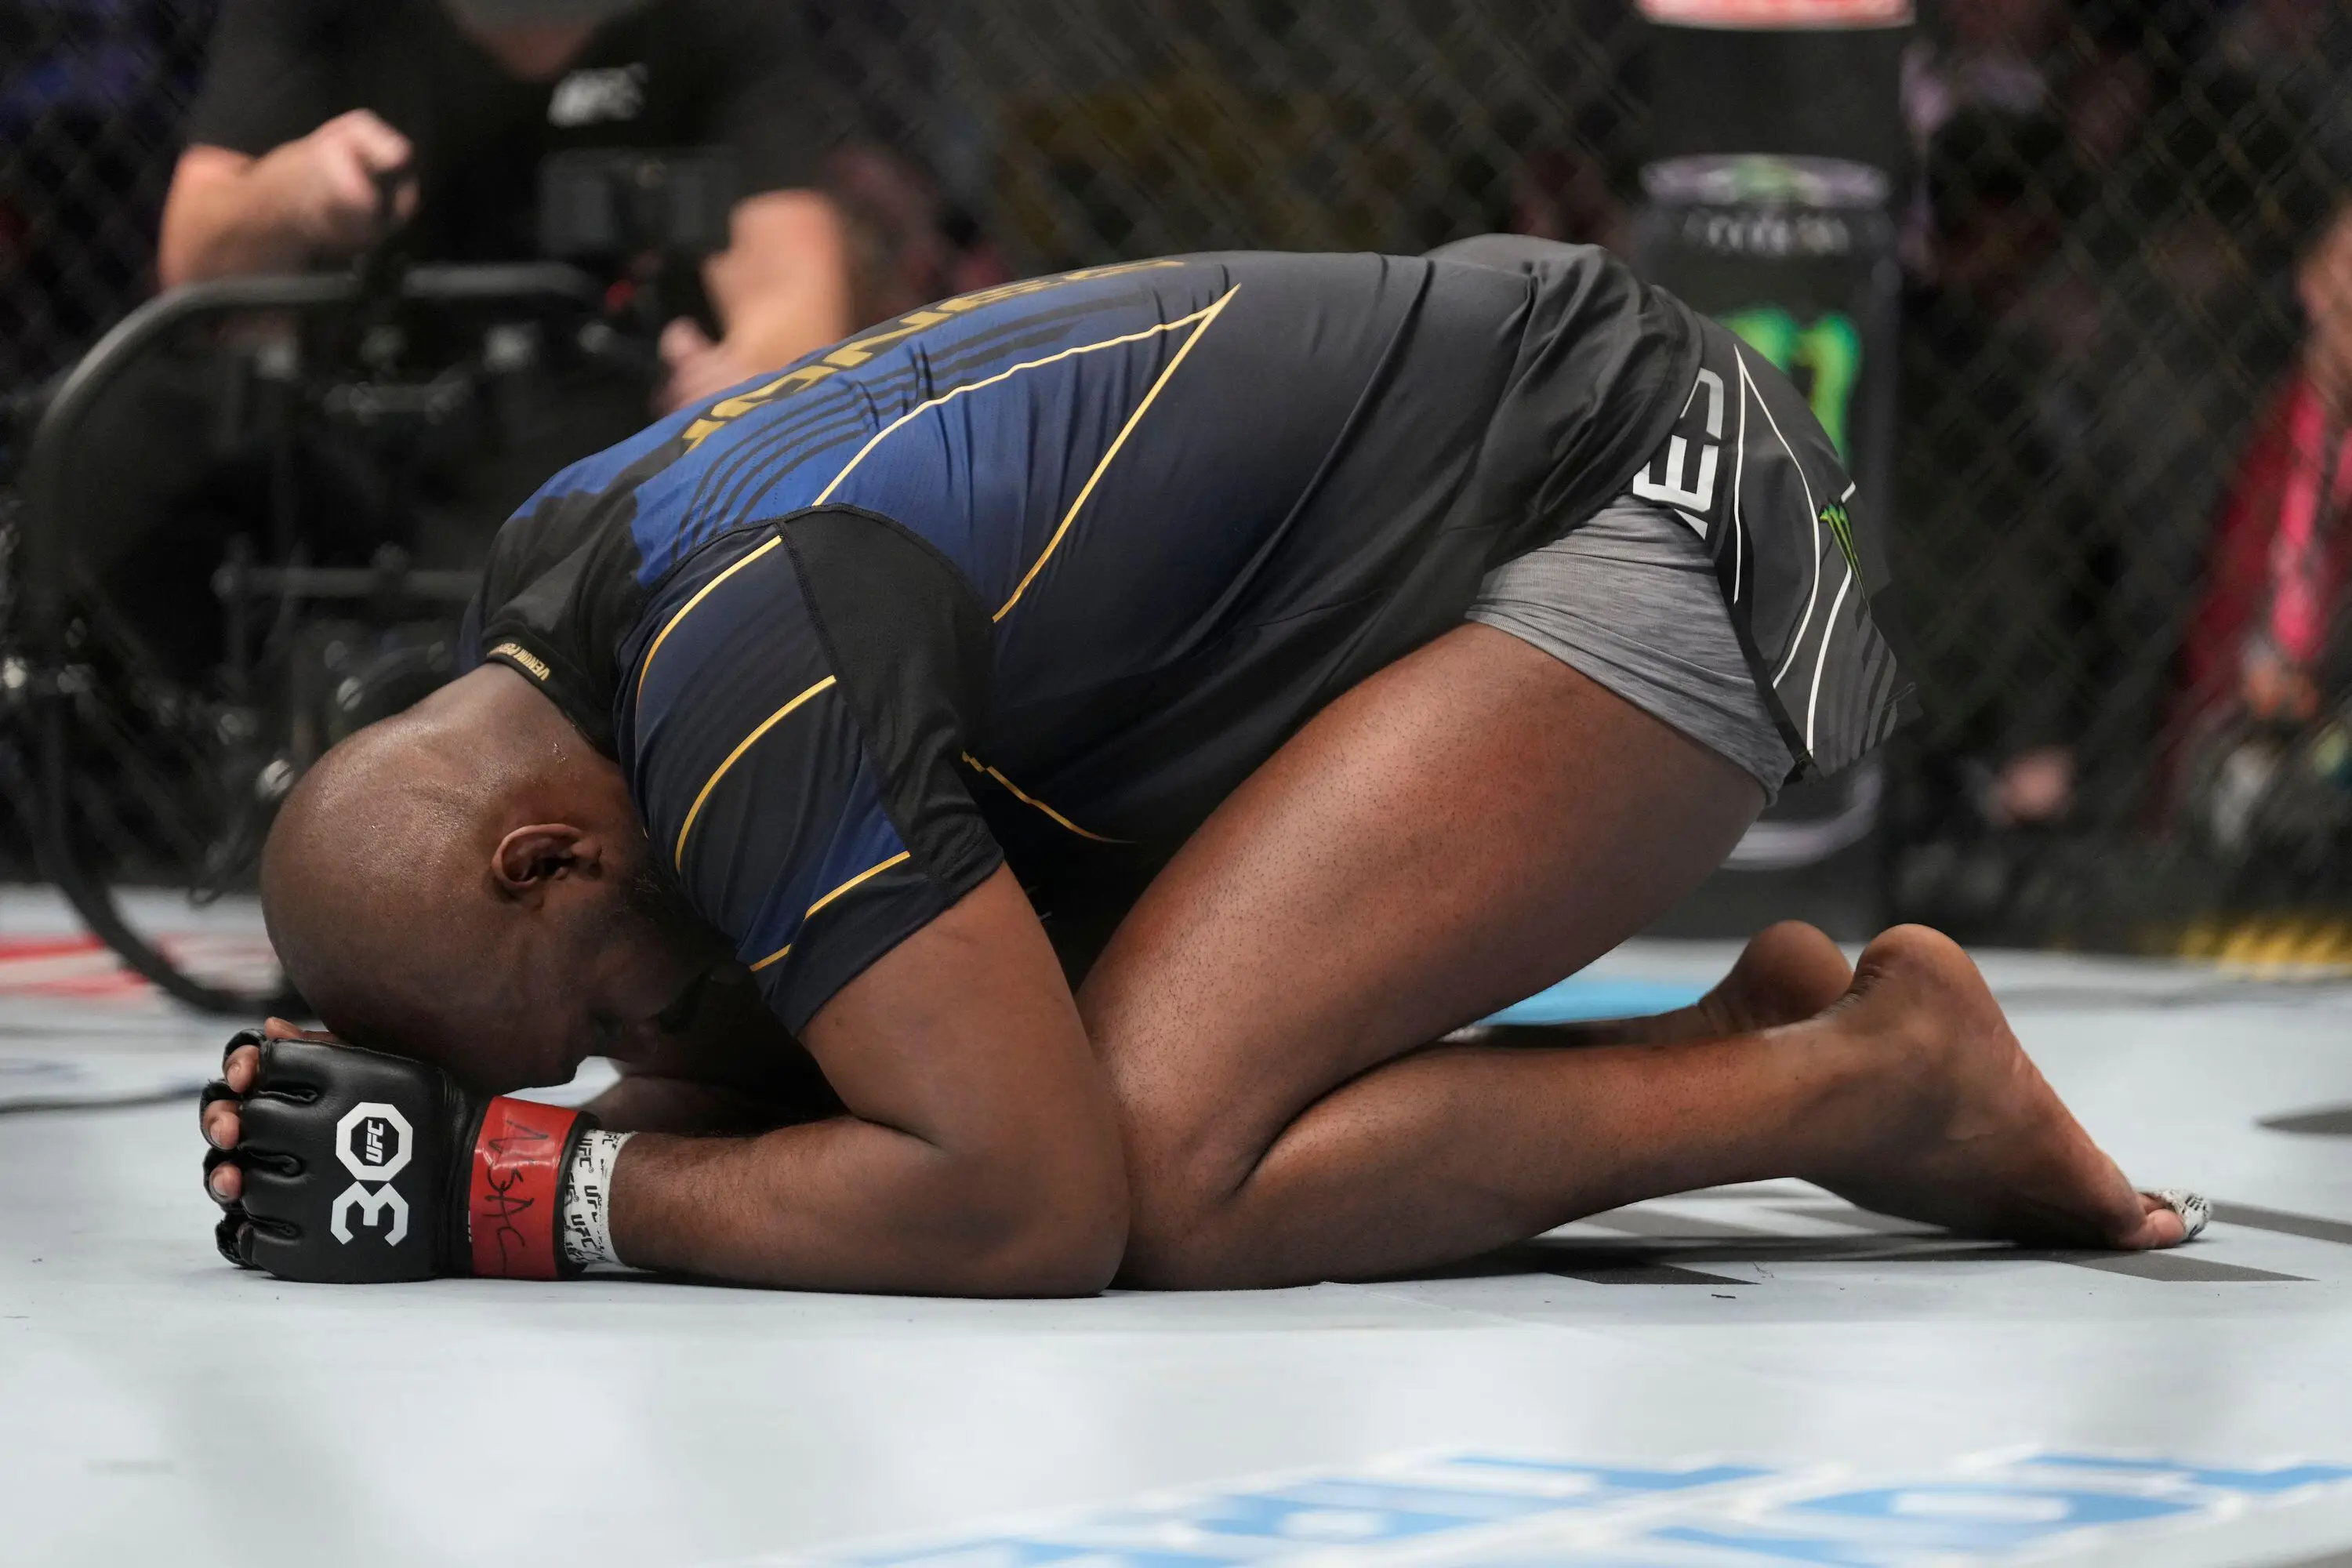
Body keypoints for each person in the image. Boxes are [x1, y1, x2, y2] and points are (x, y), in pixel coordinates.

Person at [199, 238, 2204, 1295]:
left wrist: (520, 1190)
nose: (602, 1043)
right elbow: (743, 1064)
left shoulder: (744, 656)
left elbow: (1024, 1208)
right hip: (1403, 566)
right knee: (839, 1058)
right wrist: (381, 1107)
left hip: (1633, 491)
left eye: (561, 1009)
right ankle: (1734, 1031)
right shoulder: (552, 609)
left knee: (1138, 1176)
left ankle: (1859, 1075)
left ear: (543, 855)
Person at [158, 0, 854, 412]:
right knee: (126, 443)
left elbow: (791, 287)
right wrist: (295, 192)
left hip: (630, 439)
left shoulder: (718, 17)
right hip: (364, 433)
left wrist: (742, 388)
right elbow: (193, 254)